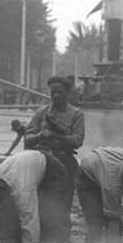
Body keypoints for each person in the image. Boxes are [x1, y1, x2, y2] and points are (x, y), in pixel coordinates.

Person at [0, 150, 68, 243]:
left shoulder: (22, 190)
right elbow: (4, 220)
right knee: (10, 218)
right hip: (28, 165)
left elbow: (30, 224)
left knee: (47, 217)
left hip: (52, 170)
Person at [24, 76, 85, 214]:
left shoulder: (76, 115)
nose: (55, 96)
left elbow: (77, 140)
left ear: (68, 93)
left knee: (63, 206)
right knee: (41, 205)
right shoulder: (42, 112)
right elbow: (27, 139)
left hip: (65, 163)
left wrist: (57, 136)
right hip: (42, 163)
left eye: (59, 92)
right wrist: (41, 135)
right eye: (52, 93)